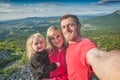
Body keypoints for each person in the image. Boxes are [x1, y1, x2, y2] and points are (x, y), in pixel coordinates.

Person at [60, 14, 120, 80]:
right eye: (63, 27)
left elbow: (97, 56)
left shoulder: (85, 45)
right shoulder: (68, 46)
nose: (66, 29)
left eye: (71, 25)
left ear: (79, 26)